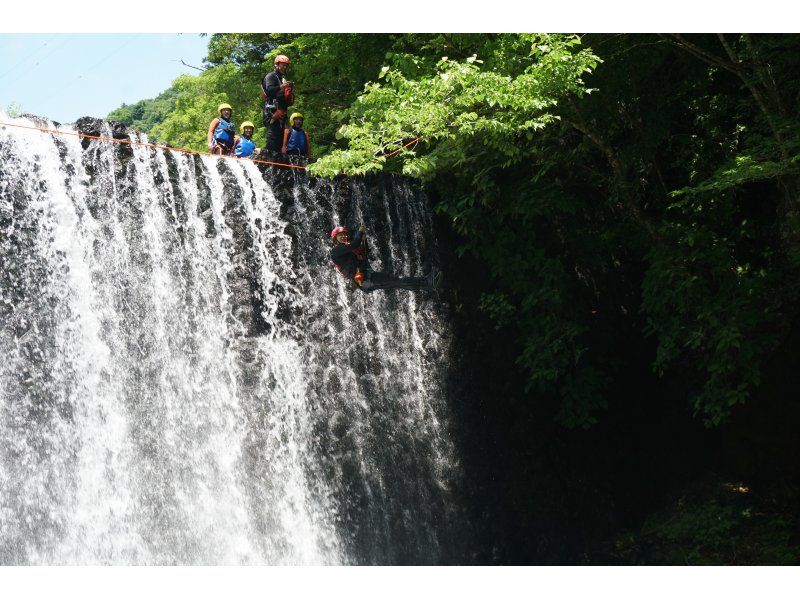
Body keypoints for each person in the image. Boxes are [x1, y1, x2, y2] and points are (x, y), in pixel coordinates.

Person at [329, 224, 439, 293]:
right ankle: (427, 283)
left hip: (368, 278)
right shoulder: (335, 251)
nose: (343, 236)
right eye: (340, 235)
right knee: (397, 279)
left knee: (397, 282)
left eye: (344, 234)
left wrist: (365, 240)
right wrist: (360, 232)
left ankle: (426, 287)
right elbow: (355, 244)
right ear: (335, 239)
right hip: (366, 281)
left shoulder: (350, 251)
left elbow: (367, 255)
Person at [261, 54, 295, 152]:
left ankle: (276, 162)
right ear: (277, 64)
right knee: (272, 138)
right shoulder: (271, 76)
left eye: (286, 65)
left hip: (281, 112)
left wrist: (289, 93)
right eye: (283, 65)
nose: (284, 67)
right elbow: (269, 90)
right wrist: (282, 87)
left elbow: (282, 98)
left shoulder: (281, 79)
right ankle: (268, 161)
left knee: (280, 140)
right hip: (271, 112)